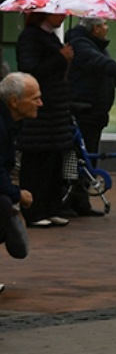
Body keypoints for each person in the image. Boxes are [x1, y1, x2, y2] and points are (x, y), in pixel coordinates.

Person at [64, 17, 116, 215]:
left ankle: (81, 203)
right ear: (95, 28)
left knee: (88, 158)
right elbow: (101, 64)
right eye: (105, 25)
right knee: (78, 159)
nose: (107, 28)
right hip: (84, 109)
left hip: (95, 111)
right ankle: (70, 202)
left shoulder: (95, 45)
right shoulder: (81, 44)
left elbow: (108, 72)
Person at [14, 12, 75, 226]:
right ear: (44, 14)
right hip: (41, 112)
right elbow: (30, 71)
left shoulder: (51, 38)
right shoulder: (30, 37)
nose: (63, 16)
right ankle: (34, 211)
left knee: (53, 162)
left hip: (56, 112)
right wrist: (61, 57)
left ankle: (51, 208)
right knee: (37, 163)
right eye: (57, 12)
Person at [0, 73, 43, 263]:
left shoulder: (11, 124)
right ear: (14, 102)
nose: (40, 103)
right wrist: (16, 195)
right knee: (2, 208)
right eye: (35, 98)